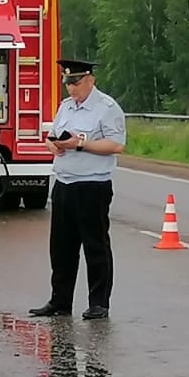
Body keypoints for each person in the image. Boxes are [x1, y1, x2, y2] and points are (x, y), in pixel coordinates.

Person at [28, 57, 126, 321]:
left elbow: (116, 145)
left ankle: (98, 303)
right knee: (61, 247)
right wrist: (54, 145)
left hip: (92, 185)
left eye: (76, 82)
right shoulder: (66, 107)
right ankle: (60, 301)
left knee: (95, 246)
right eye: (67, 82)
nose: (72, 88)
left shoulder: (106, 108)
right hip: (65, 183)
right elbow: (54, 137)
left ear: (90, 80)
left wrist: (80, 145)